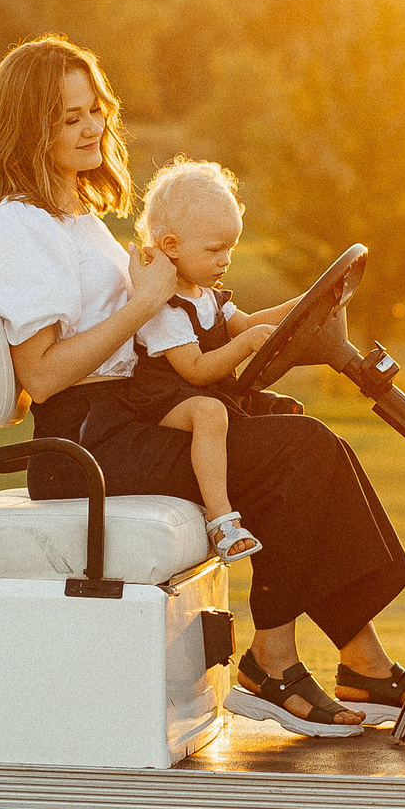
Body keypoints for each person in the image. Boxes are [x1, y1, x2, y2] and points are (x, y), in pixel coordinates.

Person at [0, 35, 405, 736]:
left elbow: (181, 319)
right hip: (82, 440)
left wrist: (305, 312)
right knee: (297, 453)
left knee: (301, 437)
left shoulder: (79, 220)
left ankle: (362, 659)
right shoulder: (12, 231)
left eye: (95, 111)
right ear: (31, 127)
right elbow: (44, 373)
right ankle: (271, 662)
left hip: (126, 419)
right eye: (69, 118)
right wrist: (143, 302)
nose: (92, 129)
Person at [119, 158, 300, 565]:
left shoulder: (209, 295)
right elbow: (196, 370)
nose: (225, 260)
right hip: (163, 401)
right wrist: (249, 343)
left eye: (230, 249)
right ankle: (221, 519)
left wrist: (305, 303)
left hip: (201, 392)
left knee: (279, 409)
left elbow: (249, 322)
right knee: (210, 413)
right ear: (171, 247)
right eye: (215, 249)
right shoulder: (166, 307)